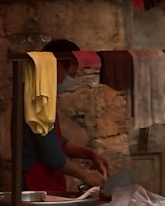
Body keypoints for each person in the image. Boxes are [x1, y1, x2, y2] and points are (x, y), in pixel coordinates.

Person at [23, 38, 109, 194]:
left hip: (47, 184)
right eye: (72, 75)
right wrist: (86, 176)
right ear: (57, 67)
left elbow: (55, 141)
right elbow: (52, 155)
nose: (71, 81)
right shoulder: (37, 101)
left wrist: (90, 154)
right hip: (36, 185)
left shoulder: (43, 99)